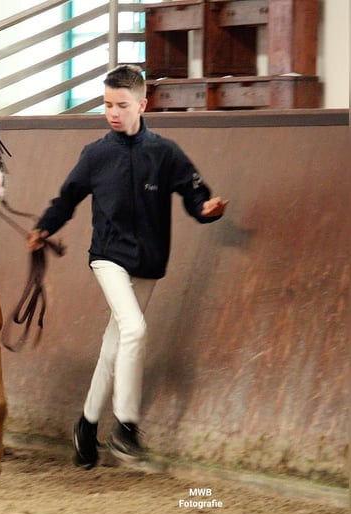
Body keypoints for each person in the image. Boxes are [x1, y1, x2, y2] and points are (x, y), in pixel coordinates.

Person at [26, 64, 228, 469]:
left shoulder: (165, 153)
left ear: (142, 104)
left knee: (115, 344)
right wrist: (44, 227)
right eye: (106, 105)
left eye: (121, 105)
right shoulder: (96, 155)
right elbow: (68, 198)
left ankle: (86, 424)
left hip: (149, 263)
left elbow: (194, 191)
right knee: (134, 329)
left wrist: (206, 209)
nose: (113, 112)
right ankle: (127, 427)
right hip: (108, 258)